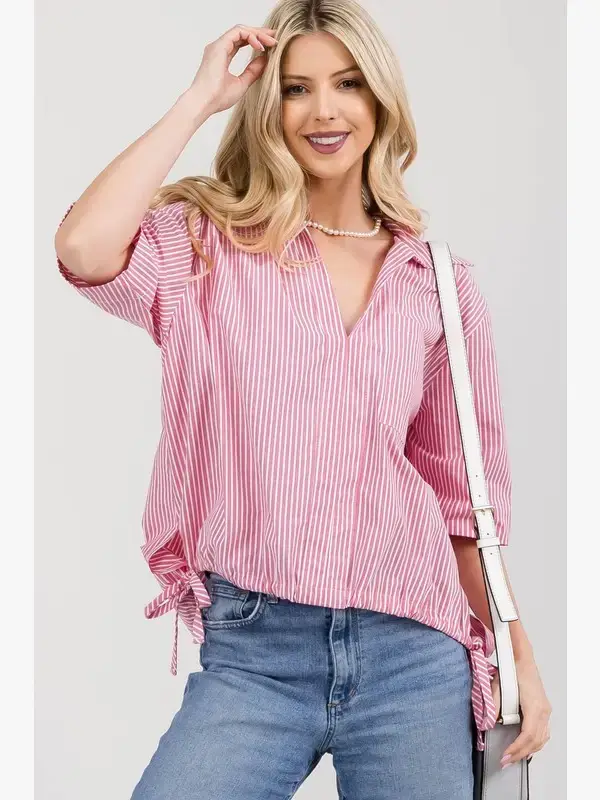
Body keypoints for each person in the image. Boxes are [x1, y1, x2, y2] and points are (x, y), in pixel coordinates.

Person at [54, 1, 551, 798]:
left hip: (414, 654)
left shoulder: (439, 285)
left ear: (380, 100)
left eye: (348, 84)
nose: (324, 110)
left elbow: (465, 507)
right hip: (256, 655)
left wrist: (516, 650)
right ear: (266, 105)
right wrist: (199, 99)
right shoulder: (204, 245)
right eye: (296, 88)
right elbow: (83, 247)